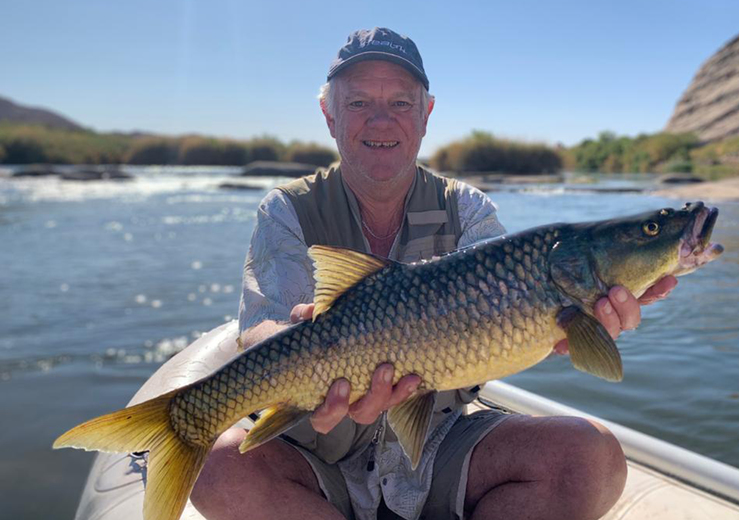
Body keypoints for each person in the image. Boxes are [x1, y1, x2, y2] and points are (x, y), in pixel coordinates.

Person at [191, 28, 677, 520]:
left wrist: (583, 328)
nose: (381, 119)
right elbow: (260, 329)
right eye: (358, 102)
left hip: (437, 441)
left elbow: (518, 327)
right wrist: (313, 352)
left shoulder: (468, 209)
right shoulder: (286, 210)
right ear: (329, 115)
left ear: (425, 115)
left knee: (591, 458)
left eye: (401, 103)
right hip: (316, 448)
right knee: (214, 466)